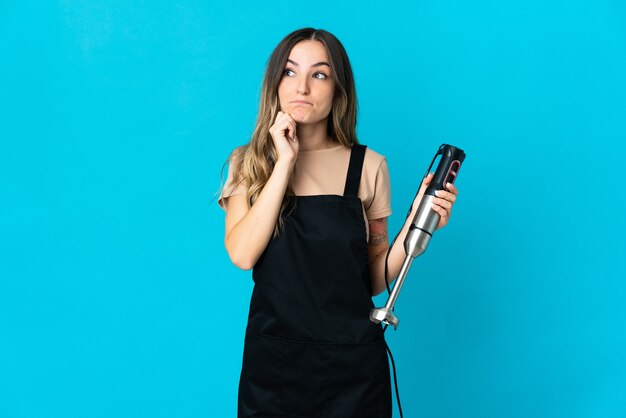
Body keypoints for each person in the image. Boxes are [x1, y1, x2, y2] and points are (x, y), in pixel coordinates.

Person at [218, 27, 459, 418]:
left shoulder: (370, 167)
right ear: (275, 82)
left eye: (319, 74)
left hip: (352, 370)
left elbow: (374, 279)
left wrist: (417, 224)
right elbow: (243, 254)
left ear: (338, 88)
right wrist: (284, 163)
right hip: (274, 366)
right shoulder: (247, 164)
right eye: (290, 72)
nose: (302, 88)